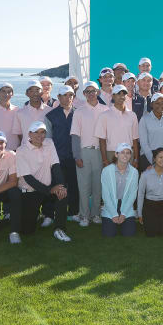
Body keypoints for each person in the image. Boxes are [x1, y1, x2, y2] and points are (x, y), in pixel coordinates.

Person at [16, 121, 71, 242]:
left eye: (42, 132)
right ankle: (36, 215)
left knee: (63, 193)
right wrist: (49, 189)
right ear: (29, 134)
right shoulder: (21, 150)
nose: (39, 136)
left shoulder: (49, 143)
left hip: (47, 189)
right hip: (30, 191)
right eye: (36, 132)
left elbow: (56, 166)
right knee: (27, 231)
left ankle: (59, 229)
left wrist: (60, 186)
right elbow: (28, 178)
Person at [69, 81, 109, 226]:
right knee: (84, 186)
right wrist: (76, 156)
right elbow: (75, 136)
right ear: (84, 94)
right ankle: (84, 216)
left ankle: (96, 214)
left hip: (100, 152)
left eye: (93, 91)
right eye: (88, 91)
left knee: (98, 186)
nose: (91, 94)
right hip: (84, 152)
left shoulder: (106, 110)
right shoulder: (79, 111)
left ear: (98, 92)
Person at [44, 85, 80, 223]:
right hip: (56, 157)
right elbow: (47, 139)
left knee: (74, 185)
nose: (68, 98)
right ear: (58, 97)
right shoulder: (50, 116)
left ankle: (73, 212)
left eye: (70, 95)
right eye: (65, 95)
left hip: (73, 156)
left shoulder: (78, 113)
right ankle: (49, 214)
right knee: (56, 185)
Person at [94, 84, 140, 168]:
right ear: (113, 96)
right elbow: (102, 140)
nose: (121, 96)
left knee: (128, 181)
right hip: (111, 154)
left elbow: (135, 139)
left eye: (124, 94)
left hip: (129, 153)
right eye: (119, 94)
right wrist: (105, 160)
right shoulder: (104, 115)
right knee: (112, 181)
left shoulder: (132, 115)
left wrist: (136, 159)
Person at [100, 142, 139, 237]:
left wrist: (124, 214)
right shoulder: (106, 171)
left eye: (128, 153)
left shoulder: (134, 172)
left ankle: (123, 218)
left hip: (126, 204)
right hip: (111, 205)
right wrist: (114, 214)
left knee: (129, 233)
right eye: (122, 152)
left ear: (131, 155)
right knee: (109, 234)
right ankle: (111, 217)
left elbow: (132, 195)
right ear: (116, 154)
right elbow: (106, 195)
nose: (125, 155)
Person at [137, 147, 163, 237]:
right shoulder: (145, 174)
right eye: (160, 157)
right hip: (150, 205)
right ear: (154, 159)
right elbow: (141, 194)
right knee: (151, 233)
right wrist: (140, 214)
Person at [139, 93, 163, 171]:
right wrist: (153, 160)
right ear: (151, 104)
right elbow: (144, 143)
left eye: (162, 103)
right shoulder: (144, 119)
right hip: (147, 157)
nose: (160, 105)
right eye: (157, 103)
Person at [11, 79, 49, 148]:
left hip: (46, 151)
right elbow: (19, 134)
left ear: (41, 92)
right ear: (26, 94)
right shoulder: (20, 113)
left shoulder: (50, 111)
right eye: (31, 91)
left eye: (37, 90)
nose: (35, 93)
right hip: (27, 152)